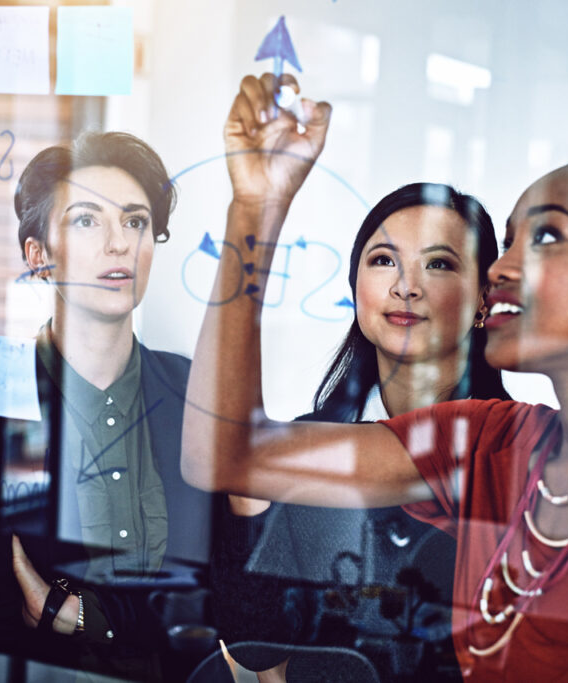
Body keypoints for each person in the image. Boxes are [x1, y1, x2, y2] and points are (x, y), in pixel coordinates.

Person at [182, 74, 568, 680]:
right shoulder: (482, 444)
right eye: (511, 239)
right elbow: (225, 453)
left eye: (547, 236)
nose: (499, 267)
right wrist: (256, 209)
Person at [0, 131, 216, 679]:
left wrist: (88, 618)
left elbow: (220, 596)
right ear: (38, 256)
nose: (119, 243)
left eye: (135, 221)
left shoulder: (196, 393)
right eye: (87, 220)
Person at [212, 182, 508, 682]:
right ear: (354, 288)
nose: (406, 286)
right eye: (383, 261)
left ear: (484, 300)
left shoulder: (520, 450)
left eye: (438, 264)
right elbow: (255, 647)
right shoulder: (304, 447)